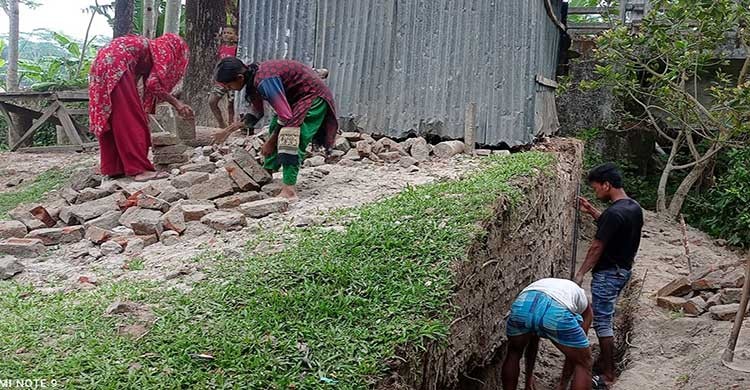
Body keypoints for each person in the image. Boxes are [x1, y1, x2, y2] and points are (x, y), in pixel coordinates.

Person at [212, 57, 338, 201]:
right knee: (274, 126)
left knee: (290, 137)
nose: (229, 89)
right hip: (297, 99)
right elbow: (256, 113)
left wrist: (271, 142)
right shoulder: (253, 78)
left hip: (312, 96)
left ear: (240, 77)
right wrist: (227, 131)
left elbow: (285, 116)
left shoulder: (265, 80)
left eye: (229, 85)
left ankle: (289, 190)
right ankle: (267, 171)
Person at [575, 163, 644, 388]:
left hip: (608, 274)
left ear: (607, 185)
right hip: (622, 270)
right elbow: (614, 226)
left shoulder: (614, 214)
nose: (596, 193)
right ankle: (607, 367)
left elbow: (597, 246)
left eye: (596, 189)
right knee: (605, 317)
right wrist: (593, 212)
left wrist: (581, 272)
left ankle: (608, 375)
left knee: (603, 322)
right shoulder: (632, 207)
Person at [89, 33, 193, 182]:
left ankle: (114, 167)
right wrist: (177, 104)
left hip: (104, 62)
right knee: (131, 120)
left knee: (114, 116)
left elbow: (137, 79)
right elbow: (153, 84)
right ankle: (140, 169)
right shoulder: (165, 51)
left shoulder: (148, 47)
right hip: (117, 63)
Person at [502, 278, 593, 390]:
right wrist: (563, 384)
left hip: (524, 305)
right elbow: (575, 353)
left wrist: (528, 381)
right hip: (555, 310)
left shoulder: (545, 283)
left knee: (514, 353)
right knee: (584, 362)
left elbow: (532, 341)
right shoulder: (586, 308)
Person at [209, 25, 239, 129]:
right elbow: (218, 63)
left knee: (231, 105)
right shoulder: (220, 49)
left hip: (233, 81)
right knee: (212, 102)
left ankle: (231, 126)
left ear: (235, 36)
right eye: (225, 33)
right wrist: (215, 76)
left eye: (230, 33)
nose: (226, 35)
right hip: (221, 81)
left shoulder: (237, 49)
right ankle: (221, 123)